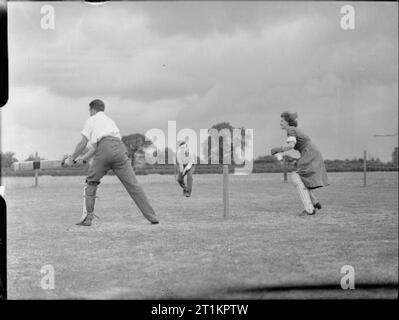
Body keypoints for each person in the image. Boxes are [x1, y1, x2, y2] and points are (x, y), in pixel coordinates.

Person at [63, 99, 159, 226]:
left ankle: (87, 218)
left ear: (92, 110)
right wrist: (84, 158)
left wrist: (71, 158)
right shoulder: (110, 121)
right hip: (120, 149)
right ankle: (152, 217)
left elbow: (83, 143)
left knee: (91, 182)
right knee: (133, 185)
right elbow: (98, 145)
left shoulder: (92, 119)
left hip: (105, 149)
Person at [271, 112, 329, 216]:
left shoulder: (291, 129)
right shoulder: (293, 129)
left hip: (309, 154)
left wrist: (278, 149)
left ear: (288, 122)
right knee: (300, 179)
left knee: (296, 177)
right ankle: (314, 202)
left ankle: (309, 209)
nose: (280, 123)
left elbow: (291, 145)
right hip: (311, 153)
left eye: (282, 121)